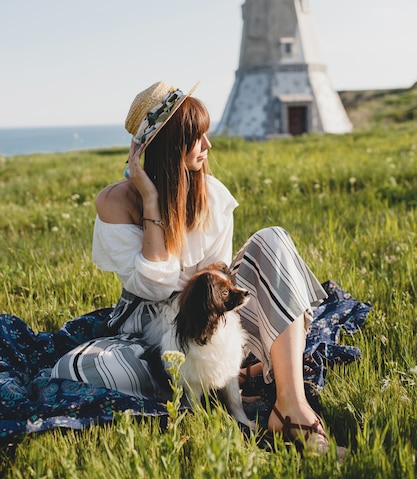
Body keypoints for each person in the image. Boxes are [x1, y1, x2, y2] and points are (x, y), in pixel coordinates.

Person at [52, 80, 342, 455]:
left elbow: (219, 275)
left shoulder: (213, 194)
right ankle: (227, 373)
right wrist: (152, 202)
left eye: (206, 134)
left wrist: (215, 328)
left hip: (214, 317)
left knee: (273, 237)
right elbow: (153, 289)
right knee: (76, 368)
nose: (208, 146)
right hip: (149, 329)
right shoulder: (117, 202)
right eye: (196, 137)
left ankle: (291, 408)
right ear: (169, 145)